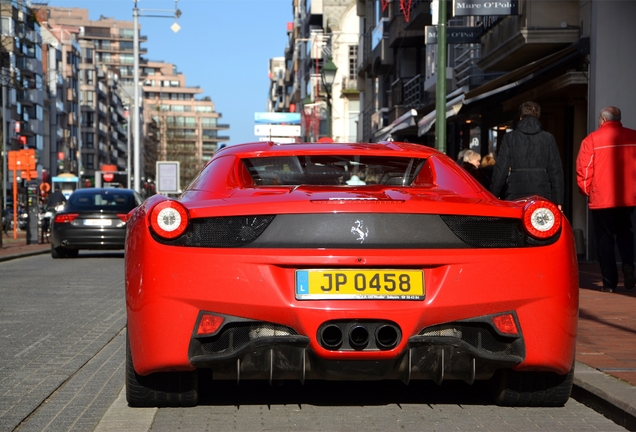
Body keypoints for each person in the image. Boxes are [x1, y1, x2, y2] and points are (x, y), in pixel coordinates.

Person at [576, 106, 636, 293]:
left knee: (604, 240)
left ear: (602, 120)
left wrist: (587, 191)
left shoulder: (591, 140)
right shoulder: (633, 136)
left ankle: (609, 282)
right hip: (629, 198)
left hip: (602, 199)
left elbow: (584, 170)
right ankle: (628, 265)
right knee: (626, 234)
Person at [490, 101, 564, 209]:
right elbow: (556, 171)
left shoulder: (510, 138)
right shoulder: (548, 138)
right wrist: (558, 200)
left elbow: (501, 169)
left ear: (520, 117)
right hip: (542, 192)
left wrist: (494, 194)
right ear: (538, 117)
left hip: (515, 191)